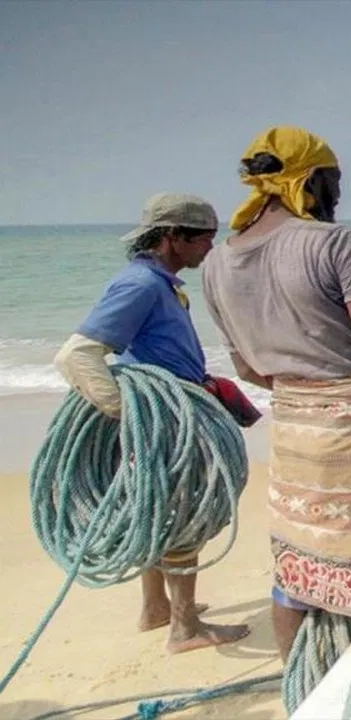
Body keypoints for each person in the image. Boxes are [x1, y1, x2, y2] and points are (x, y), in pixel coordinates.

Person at [200, 125, 351, 659]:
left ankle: (296, 686)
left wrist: (297, 380)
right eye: (334, 180)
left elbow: (248, 366)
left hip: (294, 432)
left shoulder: (215, 263)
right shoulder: (334, 243)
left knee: (299, 564)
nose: (339, 193)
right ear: (310, 178)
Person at [52, 193, 252, 654]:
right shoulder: (140, 285)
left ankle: (156, 608)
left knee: (155, 507)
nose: (210, 247)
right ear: (171, 237)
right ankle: (185, 629)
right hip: (164, 423)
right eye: (203, 237)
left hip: (171, 413)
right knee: (184, 513)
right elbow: (78, 356)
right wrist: (134, 411)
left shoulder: (157, 282)